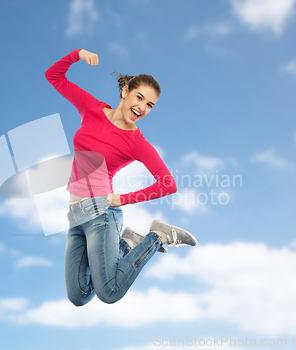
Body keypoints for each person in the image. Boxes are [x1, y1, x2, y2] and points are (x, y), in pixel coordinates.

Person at [45, 48, 197, 306]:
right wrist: (77, 54)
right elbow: (54, 76)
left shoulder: (136, 142)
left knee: (110, 292)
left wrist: (122, 199)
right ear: (125, 91)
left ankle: (158, 236)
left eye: (150, 105)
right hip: (75, 213)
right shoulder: (91, 108)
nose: (142, 108)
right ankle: (127, 243)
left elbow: (168, 184)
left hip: (102, 214)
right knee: (79, 295)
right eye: (139, 98)